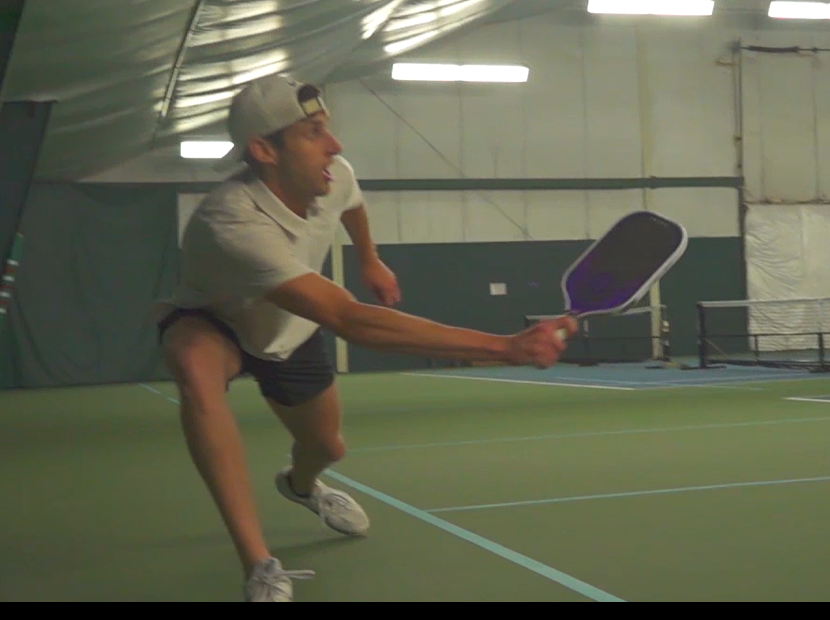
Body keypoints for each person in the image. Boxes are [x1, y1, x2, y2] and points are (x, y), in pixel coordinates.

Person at [153, 74, 576, 602]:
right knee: (194, 367)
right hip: (217, 320)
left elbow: (350, 203)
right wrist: (505, 346)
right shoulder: (230, 223)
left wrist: (369, 258)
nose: (335, 144)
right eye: (312, 132)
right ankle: (259, 563)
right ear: (264, 150)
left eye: (327, 127)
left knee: (327, 445)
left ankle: (302, 485)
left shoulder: (333, 175)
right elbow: (350, 320)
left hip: (288, 329)